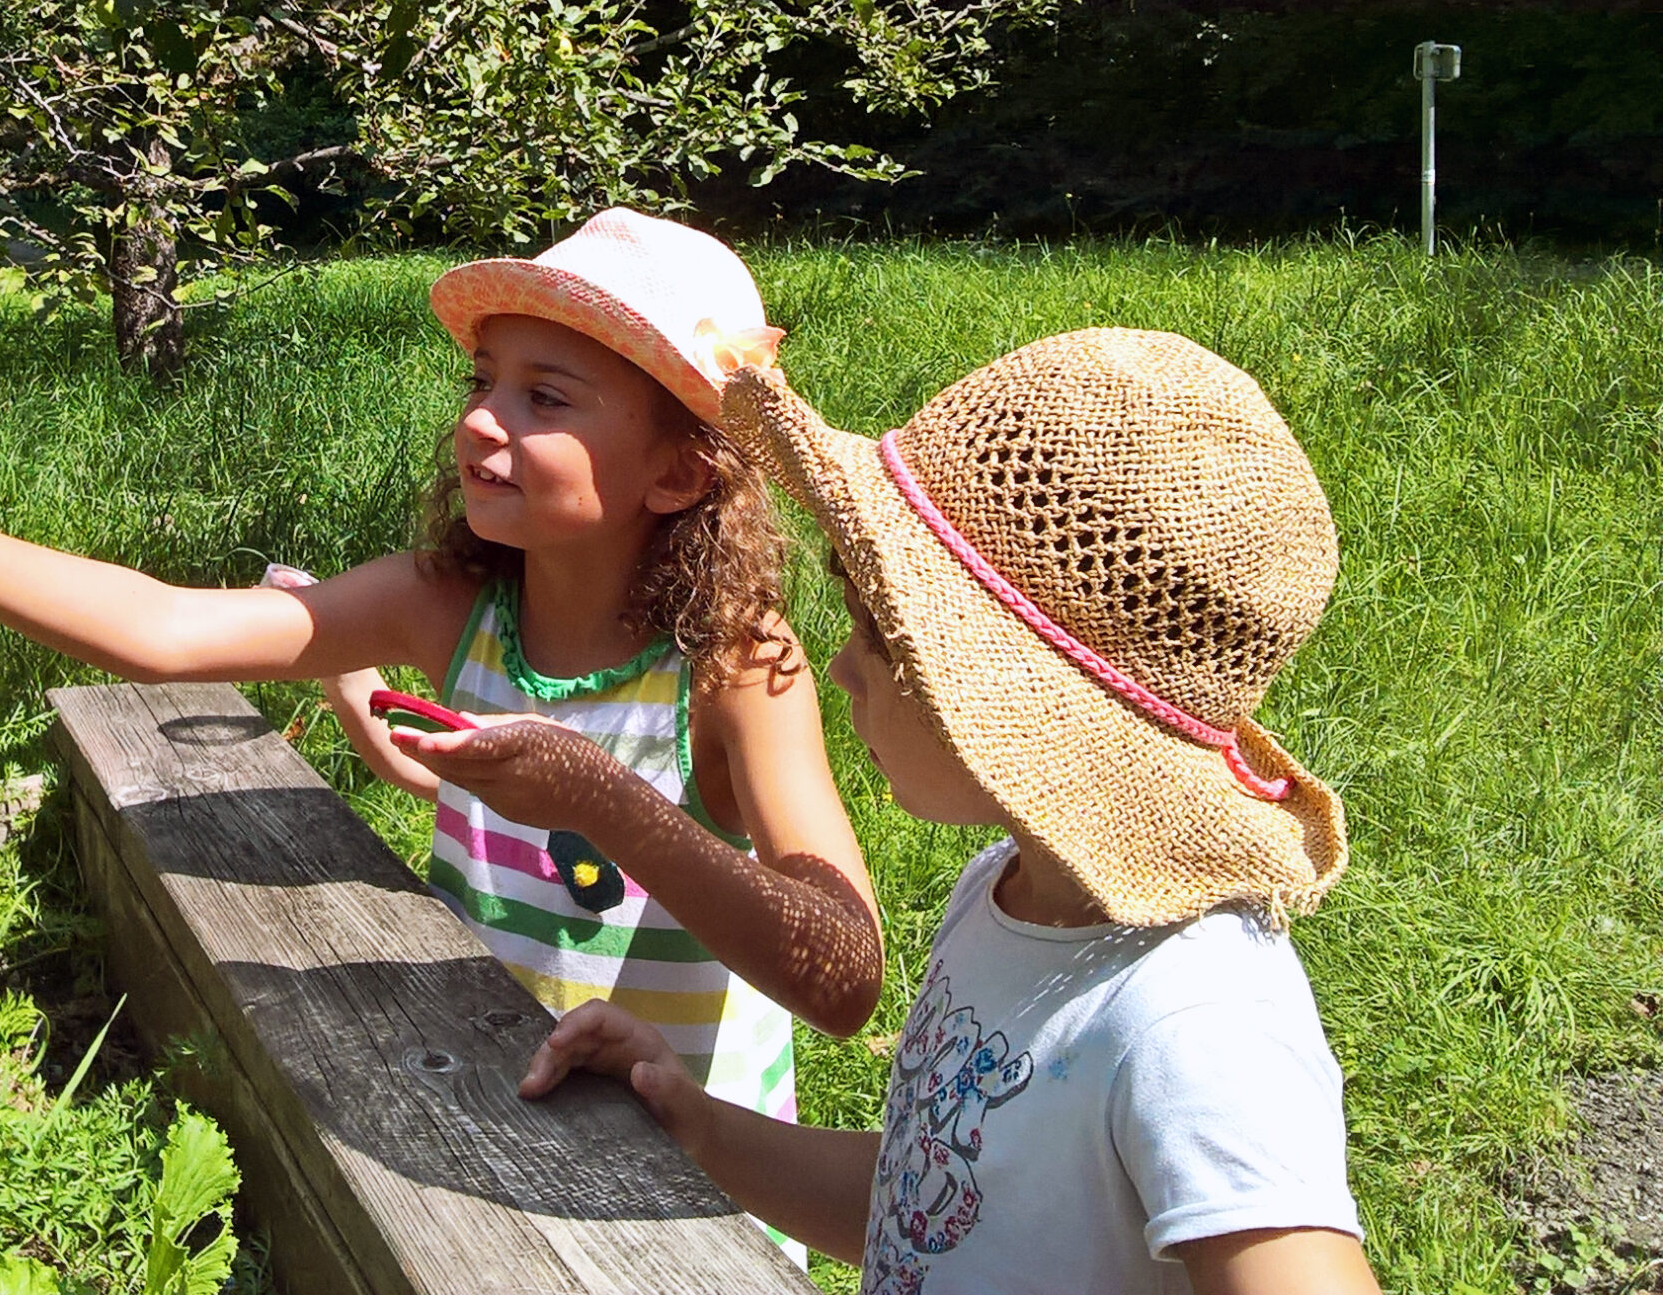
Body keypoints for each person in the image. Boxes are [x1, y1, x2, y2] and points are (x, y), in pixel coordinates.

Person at [0, 207, 884, 1148]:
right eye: (482, 380)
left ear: (678, 468)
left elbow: (842, 977)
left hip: (690, 1180)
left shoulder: (735, 665)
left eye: (545, 398)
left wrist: (600, 799)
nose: (477, 419)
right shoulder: (448, 606)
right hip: (492, 1102)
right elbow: (170, 630)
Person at [513, 328, 1382, 1295]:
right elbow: (929, 1203)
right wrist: (700, 1124)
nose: (839, 665)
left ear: (1009, 695)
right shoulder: (1005, 895)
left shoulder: (1195, 1019)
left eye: (881, 632)